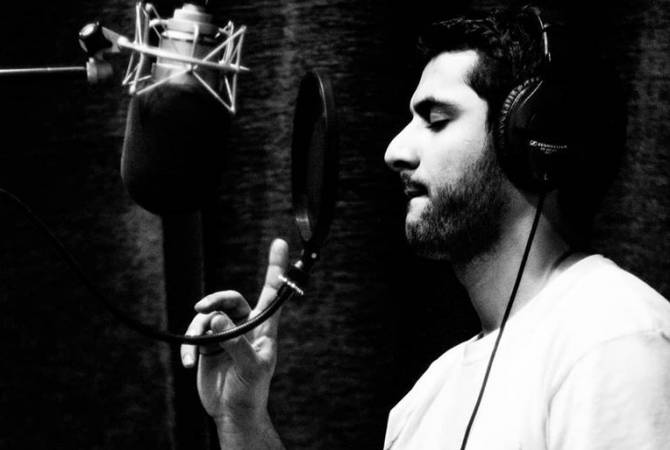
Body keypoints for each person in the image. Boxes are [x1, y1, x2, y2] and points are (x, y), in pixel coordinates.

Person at [180, 6, 670, 449]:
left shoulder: (613, 336)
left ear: (529, 137)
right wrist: (242, 418)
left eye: (435, 119)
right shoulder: (428, 396)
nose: (394, 151)